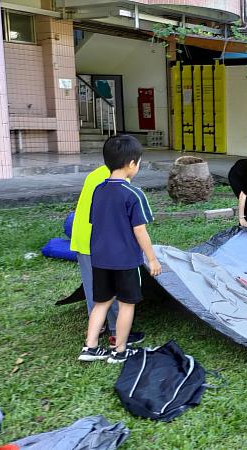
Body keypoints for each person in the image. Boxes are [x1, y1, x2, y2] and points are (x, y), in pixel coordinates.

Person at [78, 135, 161, 364]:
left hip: (100, 260)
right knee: (126, 304)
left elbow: (95, 221)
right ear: (132, 164)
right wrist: (152, 259)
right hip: (125, 261)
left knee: (101, 303)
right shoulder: (133, 194)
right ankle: (120, 350)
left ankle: (91, 347)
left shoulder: (99, 190)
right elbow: (140, 230)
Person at [71, 166, 144, 349]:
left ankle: (96, 329)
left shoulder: (95, 174)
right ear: (130, 163)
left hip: (83, 238)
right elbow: (122, 218)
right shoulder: (120, 182)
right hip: (104, 243)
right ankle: (116, 334)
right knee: (113, 289)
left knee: (94, 288)